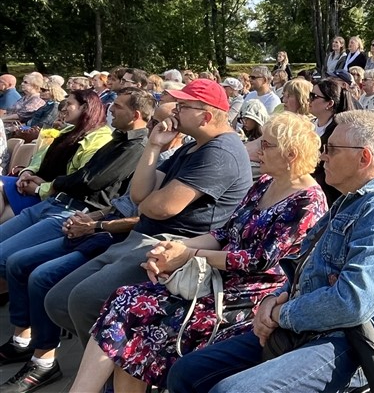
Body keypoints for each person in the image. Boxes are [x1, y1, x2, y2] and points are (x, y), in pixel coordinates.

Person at [166, 110, 374, 393]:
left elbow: (352, 303)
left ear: (364, 157)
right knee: (186, 372)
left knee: (230, 392)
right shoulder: (351, 201)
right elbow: (304, 267)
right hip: (312, 325)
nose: (323, 156)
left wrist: (280, 314)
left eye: (332, 149)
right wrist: (272, 301)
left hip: (355, 341)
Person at [67, 112, 327, 393]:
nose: (257, 149)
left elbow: (256, 261)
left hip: (249, 297)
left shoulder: (307, 202)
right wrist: (175, 248)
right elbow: (225, 234)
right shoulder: (266, 183)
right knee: (125, 301)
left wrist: (188, 256)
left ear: (290, 154)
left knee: (136, 314)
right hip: (218, 280)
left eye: (266, 144)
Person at [45, 80, 253, 344]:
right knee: (57, 301)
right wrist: (153, 145)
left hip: (170, 247)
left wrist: (147, 204)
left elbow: (161, 208)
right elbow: (139, 195)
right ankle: (115, 355)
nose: (174, 110)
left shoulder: (221, 153)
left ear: (206, 116)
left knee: (84, 301)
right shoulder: (193, 146)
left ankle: (116, 365)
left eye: (182, 106)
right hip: (142, 238)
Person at [0, 89, 154, 391]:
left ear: (135, 115)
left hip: (87, 218)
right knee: (17, 263)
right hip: (66, 207)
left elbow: (92, 182)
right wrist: (35, 175)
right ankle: (23, 338)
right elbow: (76, 173)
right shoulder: (117, 140)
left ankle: (44, 359)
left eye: (118, 107)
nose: (111, 110)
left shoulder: (138, 148)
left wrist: (92, 220)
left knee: (30, 270)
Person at [0, 90, 111, 218]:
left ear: (85, 107)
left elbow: (78, 179)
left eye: (69, 104)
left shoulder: (99, 140)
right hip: (34, 184)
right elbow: (40, 157)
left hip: (53, 196)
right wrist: (28, 172)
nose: (63, 108)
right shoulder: (68, 131)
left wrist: (41, 189)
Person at [310, 78, 355, 205]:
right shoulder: (309, 125)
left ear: (329, 103)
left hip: (326, 192)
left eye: (314, 96)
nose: (309, 100)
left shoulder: (338, 132)